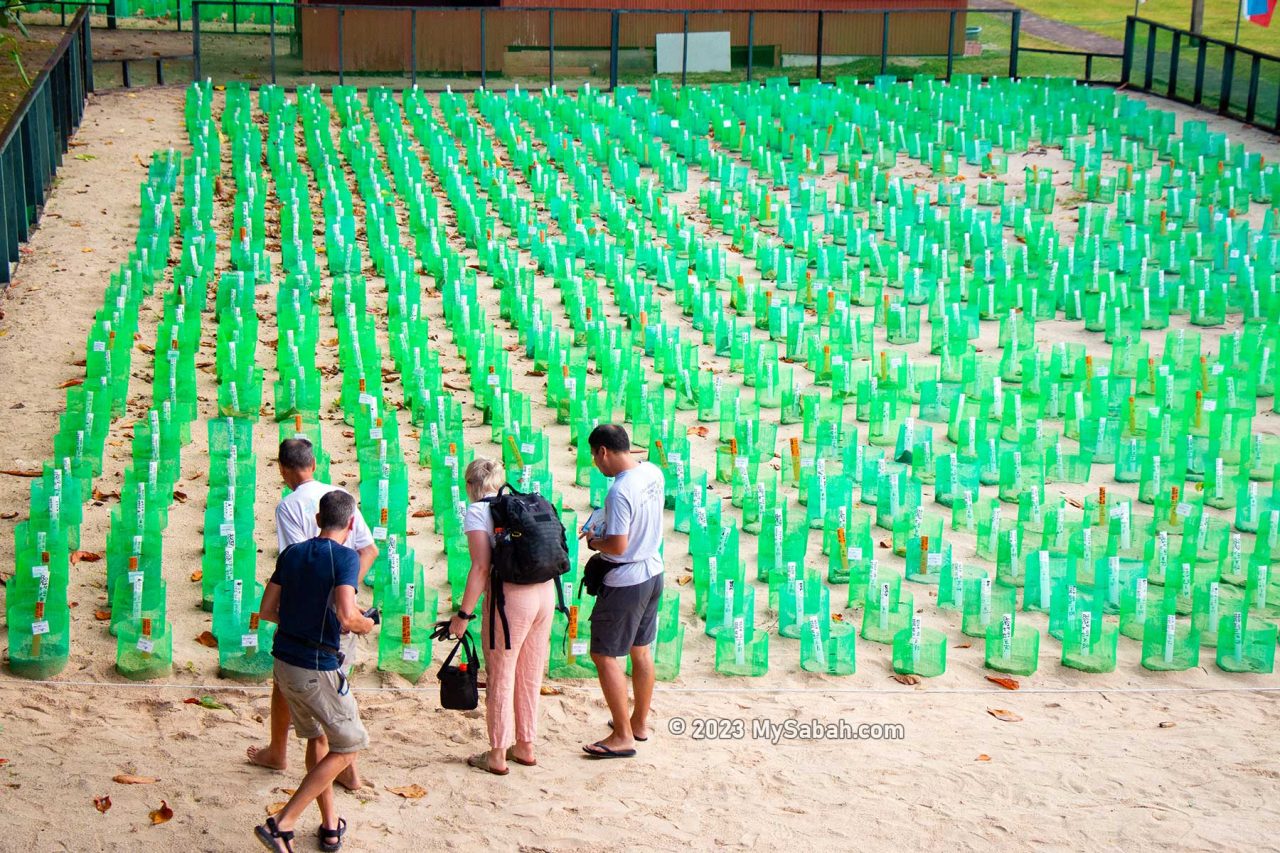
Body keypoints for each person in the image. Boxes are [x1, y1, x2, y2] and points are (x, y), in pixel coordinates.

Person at [248, 438, 378, 791]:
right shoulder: (341, 496)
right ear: (314, 462)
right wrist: (345, 589)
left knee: (290, 681)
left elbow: (294, 558)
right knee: (339, 685)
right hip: (342, 609)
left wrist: (334, 592)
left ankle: (281, 751)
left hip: (307, 611)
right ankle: (343, 767)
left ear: (282, 469)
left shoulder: (289, 505)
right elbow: (369, 549)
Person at [254, 490, 375, 853]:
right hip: (317, 667)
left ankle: (329, 825)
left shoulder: (292, 553)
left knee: (318, 740)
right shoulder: (346, 558)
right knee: (350, 746)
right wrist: (365, 625)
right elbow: (347, 616)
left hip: (283, 663)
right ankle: (282, 823)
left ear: (318, 520)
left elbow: (267, 609)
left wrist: (303, 621)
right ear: (351, 524)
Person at [449, 458, 555, 775]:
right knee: (530, 672)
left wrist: (463, 615)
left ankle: (496, 753)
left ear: (470, 485)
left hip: (511, 600)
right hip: (545, 593)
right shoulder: (521, 503)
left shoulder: (477, 511)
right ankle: (525, 745)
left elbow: (481, 567)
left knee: (502, 673)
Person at [581, 424, 665, 759]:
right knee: (641, 650)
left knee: (604, 655)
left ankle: (622, 734)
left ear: (603, 451)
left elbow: (617, 545)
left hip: (626, 580)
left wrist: (592, 540)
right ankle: (639, 722)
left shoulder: (618, 492)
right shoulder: (652, 472)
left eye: (594, 456)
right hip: (653, 570)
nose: (596, 464)